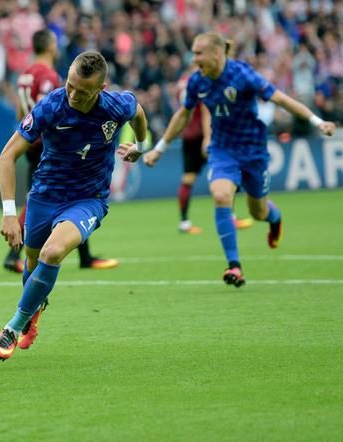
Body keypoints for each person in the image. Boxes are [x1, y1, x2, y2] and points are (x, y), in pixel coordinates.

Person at [0, 51, 147, 360]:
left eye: (83, 90)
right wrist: (9, 214)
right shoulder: (51, 106)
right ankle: (34, 313)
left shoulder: (116, 105)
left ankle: (12, 327)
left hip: (88, 200)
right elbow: (7, 156)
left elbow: (138, 112)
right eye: (70, 84)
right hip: (44, 195)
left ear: (101, 89)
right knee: (33, 266)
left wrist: (139, 146)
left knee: (53, 252)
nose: (73, 94)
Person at [143, 32, 336, 287]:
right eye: (193, 52)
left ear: (216, 53)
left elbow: (280, 98)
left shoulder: (242, 75)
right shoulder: (196, 82)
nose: (194, 57)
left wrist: (317, 121)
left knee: (258, 211)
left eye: (199, 53)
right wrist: (159, 147)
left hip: (254, 151)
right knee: (221, 195)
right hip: (222, 149)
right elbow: (183, 114)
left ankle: (274, 217)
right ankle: (234, 266)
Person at [4, 29, 119, 273]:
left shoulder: (25, 74)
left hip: (28, 140)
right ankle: (17, 253)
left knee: (48, 198)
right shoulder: (48, 75)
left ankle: (82, 255)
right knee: (58, 197)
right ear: (49, 46)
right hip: (51, 146)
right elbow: (55, 110)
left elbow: (20, 112)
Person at [175, 39, 254, 234]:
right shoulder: (201, 82)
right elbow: (205, 112)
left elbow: (184, 111)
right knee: (226, 173)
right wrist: (208, 138)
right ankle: (231, 217)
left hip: (188, 135)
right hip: (206, 135)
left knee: (188, 180)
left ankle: (184, 222)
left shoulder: (181, 84)